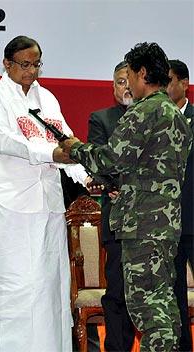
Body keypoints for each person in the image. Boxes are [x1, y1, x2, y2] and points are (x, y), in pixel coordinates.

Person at [61, 42, 192, 351]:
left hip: (142, 226)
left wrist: (74, 147)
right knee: (163, 303)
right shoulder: (174, 114)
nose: (129, 82)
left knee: (147, 307)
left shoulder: (144, 110)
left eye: (131, 74)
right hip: (165, 224)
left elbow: (110, 159)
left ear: (142, 73)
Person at [0, 35, 89, 351]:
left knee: (52, 285)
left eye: (36, 64)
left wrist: (85, 175)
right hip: (14, 204)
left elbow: (67, 142)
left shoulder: (48, 98)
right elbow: (5, 140)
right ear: (7, 63)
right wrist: (51, 154)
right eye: (25, 64)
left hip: (50, 203)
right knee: (19, 288)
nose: (32, 71)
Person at [87, 61, 136, 352]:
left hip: (152, 222)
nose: (126, 87)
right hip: (118, 220)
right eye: (120, 82)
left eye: (130, 81)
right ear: (112, 85)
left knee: (145, 296)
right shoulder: (102, 119)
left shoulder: (155, 116)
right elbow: (98, 163)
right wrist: (114, 185)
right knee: (118, 293)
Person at [167, 59, 194, 352]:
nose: (165, 87)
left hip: (193, 218)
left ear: (185, 83)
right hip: (166, 226)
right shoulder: (155, 120)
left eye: (171, 80)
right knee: (173, 297)